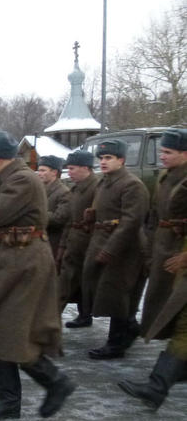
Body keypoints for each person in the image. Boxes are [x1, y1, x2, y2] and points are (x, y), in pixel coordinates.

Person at [0, 130, 74, 421]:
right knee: (1, 330)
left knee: (13, 330)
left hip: (24, 263)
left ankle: (53, 382)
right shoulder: (7, 177)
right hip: (8, 260)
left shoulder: (23, 179)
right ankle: (11, 400)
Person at [81, 138, 150, 359]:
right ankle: (129, 328)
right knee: (107, 291)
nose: (103, 162)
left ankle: (115, 344)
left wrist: (110, 249)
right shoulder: (105, 182)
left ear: (121, 159)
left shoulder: (132, 184)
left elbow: (131, 222)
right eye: (101, 158)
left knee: (119, 293)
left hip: (125, 247)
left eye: (109, 158)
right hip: (103, 239)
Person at [139, 129, 187, 341]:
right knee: (160, 299)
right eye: (162, 151)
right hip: (162, 244)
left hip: (182, 249)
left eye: (168, 152)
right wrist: (149, 247)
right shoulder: (164, 178)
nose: (162, 156)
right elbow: (154, 215)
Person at [57, 150, 99, 327]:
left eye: (73, 168)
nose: (69, 172)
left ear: (85, 168)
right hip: (75, 241)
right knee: (71, 280)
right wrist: (63, 245)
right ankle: (83, 315)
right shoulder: (77, 188)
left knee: (85, 281)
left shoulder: (97, 187)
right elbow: (70, 220)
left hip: (89, 241)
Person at [36, 155, 71, 259]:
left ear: (54, 172)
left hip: (53, 241)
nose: (39, 174)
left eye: (43, 170)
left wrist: (35, 214)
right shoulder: (39, 190)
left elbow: (59, 218)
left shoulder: (63, 192)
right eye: (39, 171)